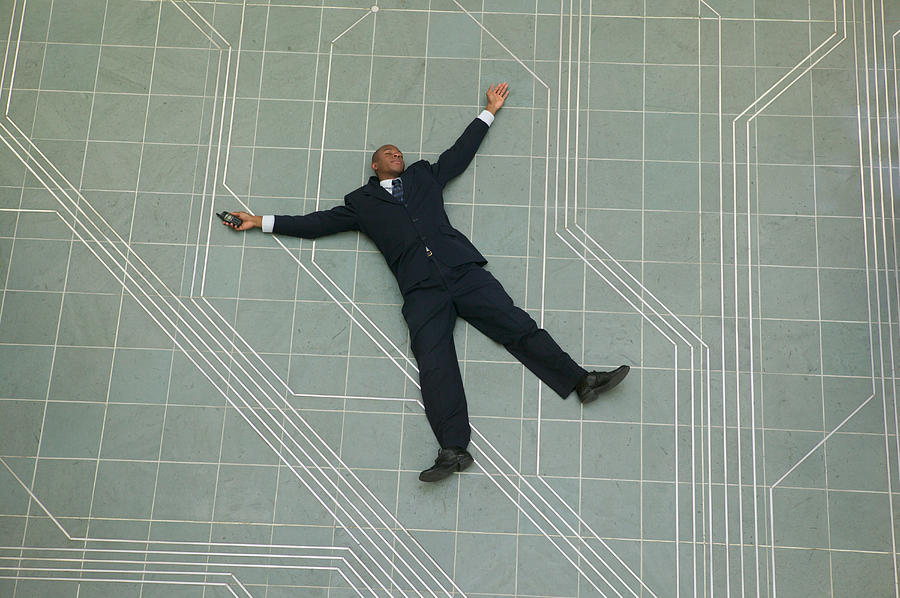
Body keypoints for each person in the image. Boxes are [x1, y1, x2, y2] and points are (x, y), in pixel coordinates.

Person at [224, 83, 629, 482]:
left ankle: (582, 381)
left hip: (463, 271)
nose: (395, 153)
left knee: (517, 326)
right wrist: (260, 221)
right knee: (435, 365)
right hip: (421, 291)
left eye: (398, 151)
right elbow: (316, 224)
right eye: (387, 153)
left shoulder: (423, 176)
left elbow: (459, 155)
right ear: (374, 167)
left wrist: (489, 110)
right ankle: (453, 450)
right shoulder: (360, 204)